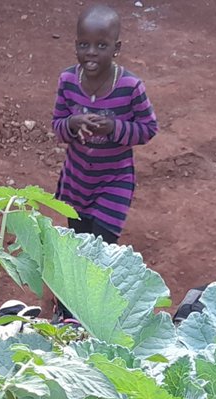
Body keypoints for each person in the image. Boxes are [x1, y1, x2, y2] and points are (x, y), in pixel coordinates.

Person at [51, 4, 158, 246]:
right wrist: (73, 123)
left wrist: (113, 128)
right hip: (76, 181)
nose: (91, 52)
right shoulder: (67, 80)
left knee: (101, 251)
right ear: (75, 44)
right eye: (83, 45)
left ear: (116, 48)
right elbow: (58, 126)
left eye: (101, 45)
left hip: (114, 181)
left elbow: (149, 128)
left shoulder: (130, 86)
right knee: (78, 248)